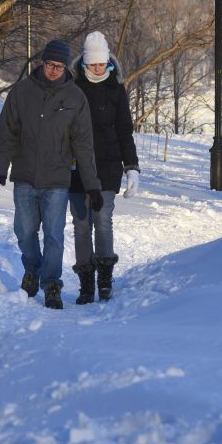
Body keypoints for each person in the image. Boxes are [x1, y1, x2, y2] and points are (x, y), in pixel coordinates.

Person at [0, 39, 103, 310]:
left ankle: (51, 283)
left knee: (54, 235)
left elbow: (84, 146)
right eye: (51, 65)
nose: (55, 70)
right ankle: (32, 270)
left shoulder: (75, 98)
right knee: (25, 231)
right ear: (42, 63)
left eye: (60, 66)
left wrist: (93, 186)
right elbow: (6, 134)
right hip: (25, 175)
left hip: (57, 179)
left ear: (66, 67)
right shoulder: (22, 92)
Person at [68, 31, 140, 304]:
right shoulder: (72, 88)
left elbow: (125, 130)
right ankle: (86, 281)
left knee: (103, 220)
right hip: (76, 167)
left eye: (102, 64)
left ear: (108, 62)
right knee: (81, 225)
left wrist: (131, 166)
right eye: (93, 64)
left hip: (108, 165)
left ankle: (105, 278)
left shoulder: (116, 89)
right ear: (85, 64)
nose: (98, 69)